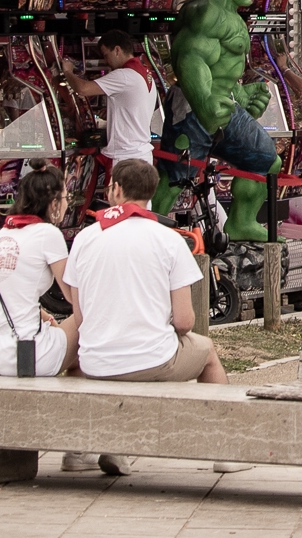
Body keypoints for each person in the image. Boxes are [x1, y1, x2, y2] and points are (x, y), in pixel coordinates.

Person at [64, 157, 227, 407]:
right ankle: (220, 426)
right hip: (153, 360)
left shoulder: (84, 239)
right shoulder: (169, 239)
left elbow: (81, 317)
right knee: (207, 352)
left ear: (116, 189)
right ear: (151, 193)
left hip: (95, 362)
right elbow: (185, 322)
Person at [0, 166, 75, 378]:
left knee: (61, 328)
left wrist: (46, 317)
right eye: (66, 196)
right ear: (54, 203)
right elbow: (74, 297)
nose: (68, 203)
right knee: (86, 319)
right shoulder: (48, 234)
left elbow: (10, 293)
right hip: (24, 353)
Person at [62, 29, 155, 197]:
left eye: (106, 55)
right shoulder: (145, 74)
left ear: (117, 50)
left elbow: (83, 89)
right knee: (140, 212)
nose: (106, 61)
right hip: (141, 155)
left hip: (125, 158)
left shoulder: (124, 75)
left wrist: (67, 71)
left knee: (119, 214)